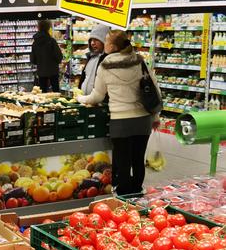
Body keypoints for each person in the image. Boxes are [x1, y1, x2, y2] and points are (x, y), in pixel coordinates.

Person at [77, 30, 161, 196]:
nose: (105, 44)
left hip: (120, 121)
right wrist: (156, 116)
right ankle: (137, 192)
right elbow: (154, 88)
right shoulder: (139, 61)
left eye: (106, 41)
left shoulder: (105, 65)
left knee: (122, 161)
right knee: (138, 159)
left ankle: (123, 196)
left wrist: (81, 98)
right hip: (142, 119)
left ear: (113, 46)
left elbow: (97, 96)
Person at [30, 19, 63, 93]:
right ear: (49, 28)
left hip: (41, 71)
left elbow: (33, 60)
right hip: (53, 71)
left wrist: (40, 62)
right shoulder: (51, 41)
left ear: (38, 27)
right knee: (56, 93)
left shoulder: (35, 43)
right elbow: (59, 56)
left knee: (42, 93)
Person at [79, 24, 111, 95]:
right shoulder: (90, 57)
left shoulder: (108, 60)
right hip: (84, 101)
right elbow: (84, 78)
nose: (92, 43)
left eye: (96, 40)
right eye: (91, 40)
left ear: (104, 41)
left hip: (99, 104)